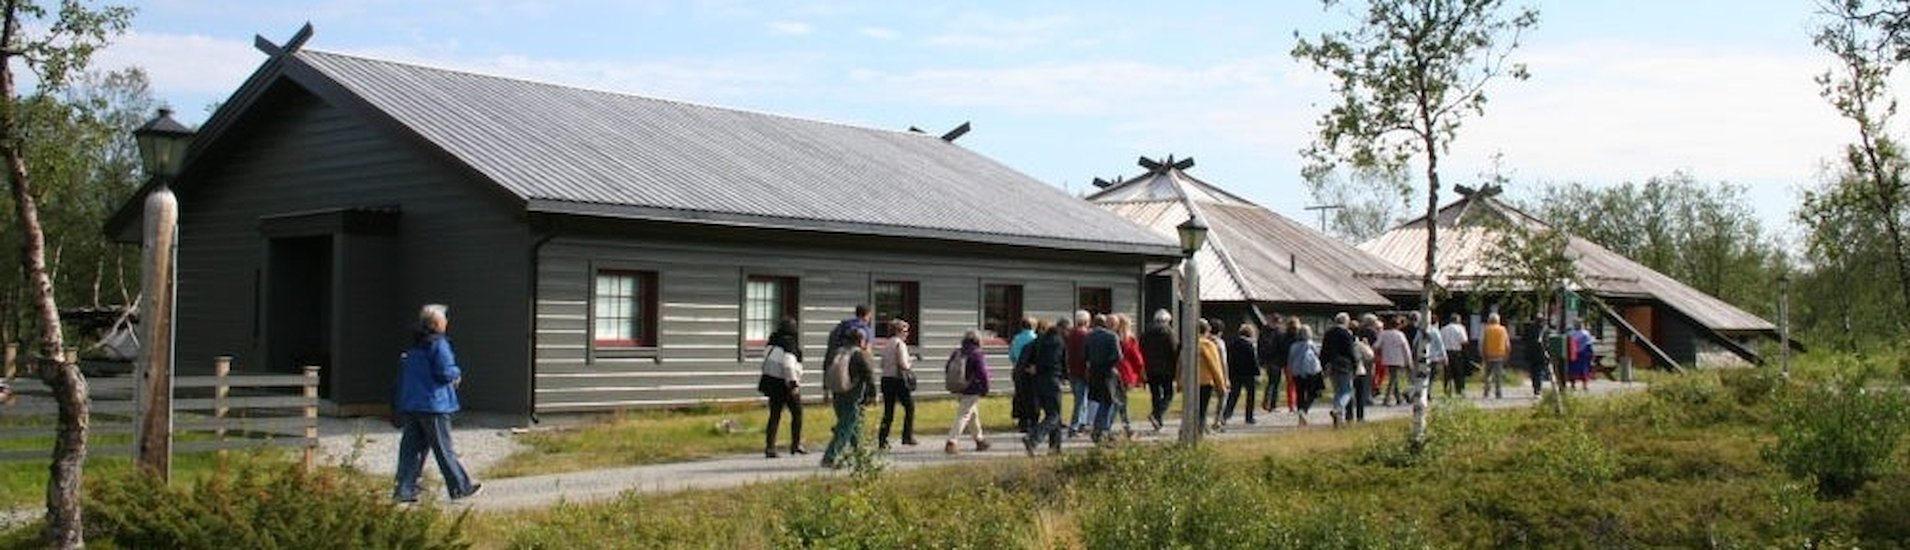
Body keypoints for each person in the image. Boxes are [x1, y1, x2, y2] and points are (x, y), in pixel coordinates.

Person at [392, 304, 480, 502]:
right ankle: (460, 486)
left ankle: (404, 489)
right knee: (443, 448)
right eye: (444, 319)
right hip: (434, 404)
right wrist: (456, 374)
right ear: (437, 323)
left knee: (411, 449)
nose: (446, 322)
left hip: (412, 403)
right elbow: (444, 372)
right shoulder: (439, 344)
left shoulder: (415, 344)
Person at [820, 330, 876, 469]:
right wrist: (873, 394)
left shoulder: (836, 352)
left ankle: (860, 455)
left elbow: (826, 369)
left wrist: (826, 391)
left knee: (853, 425)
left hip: (837, 392)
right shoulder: (859, 354)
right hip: (853, 393)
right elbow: (868, 375)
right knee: (845, 427)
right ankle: (830, 457)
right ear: (860, 340)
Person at [760, 316, 806, 458]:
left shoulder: (772, 341)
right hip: (785, 383)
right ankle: (795, 444)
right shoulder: (789, 344)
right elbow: (788, 365)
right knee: (797, 413)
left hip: (771, 382)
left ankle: (770, 447)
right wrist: (793, 384)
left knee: (774, 415)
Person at [1023, 318, 1069, 456]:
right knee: (1054, 416)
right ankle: (1033, 438)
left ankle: (1055, 448)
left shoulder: (1040, 339)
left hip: (1038, 381)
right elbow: (1057, 362)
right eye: (1067, 330)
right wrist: (1065, 376)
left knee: (1053, 414)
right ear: (1062, 329)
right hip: (1052, 380)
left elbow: (1028, 354)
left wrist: (1031, 367)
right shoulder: (1058, 342)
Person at [945, 330, 993, 454]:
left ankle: (979, 440)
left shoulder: (957, 352)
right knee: (964, 415)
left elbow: (947, 367)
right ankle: (952, 442)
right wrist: (985, 387)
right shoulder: (976, 354)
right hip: (972, 389)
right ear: (977, 340)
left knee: (972, 414)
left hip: (958, 387)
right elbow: (982, 373)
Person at [877, 319, 918, 449]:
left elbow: (882, 364)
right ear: (898, 331)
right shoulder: (900, 344)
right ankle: (907, 435)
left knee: (888, 412)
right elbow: (903, 363)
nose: (907, 334)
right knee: (909, 407)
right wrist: (911, 362)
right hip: (898, 380)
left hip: (886, 379)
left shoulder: (887, 344)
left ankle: (882, 439)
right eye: (905, 331)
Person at [1083, 314, 1123, 442]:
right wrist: (1109, 364)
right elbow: (1118, 356)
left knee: (1098, 400)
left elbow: (1084, 355)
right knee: (1108, 400)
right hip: (1107, 371)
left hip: (1094, 371)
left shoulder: (1089, 336)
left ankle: (1102, 428)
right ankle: (1100, 428)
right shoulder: (1112, 336)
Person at [1140, 309, 1179, 432]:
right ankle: (1157, 414)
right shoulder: (1169, 333)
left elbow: (1141, 349)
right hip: (1166, 369)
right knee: (1168, 394)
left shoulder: (1146, 333)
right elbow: (1174, 350)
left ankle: (1158, 421)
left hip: (1150, 369)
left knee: (1155, 394)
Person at [821, 305, 876, 387]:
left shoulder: (841, 327)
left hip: (839, 369)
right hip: (856, 370)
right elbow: (867, 352)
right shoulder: (865, 330)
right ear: (866, 315)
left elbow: (830, 349)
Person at [1193, 319, 1229, 435]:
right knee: (1221, 397)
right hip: (1211, 376)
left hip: (1197, 377)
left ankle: (1203, 425)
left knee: (1201, 403)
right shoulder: (1217, 343)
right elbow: (1221, 362)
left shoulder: (1197, 341)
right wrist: (1225, 378)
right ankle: (1216, 421)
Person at [1322, 313, 1357, 428]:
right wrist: (1355, 365)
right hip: (1344, 365)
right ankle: (1338, 409)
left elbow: (1323, 351)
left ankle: (1338, 420)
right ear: (1346, 322)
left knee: (1338, 391)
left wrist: (1324, 365)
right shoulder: (1346, 334)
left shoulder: (1328, 333)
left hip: (1331, 365)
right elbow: (1350, 352)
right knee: (1347, 391)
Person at [1114, 314, 1145, 439]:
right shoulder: (1129, 340)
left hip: (1113, 370)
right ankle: (1127, 427)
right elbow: (1137, 358)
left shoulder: (1113, 337)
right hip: (1126, 372)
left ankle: (1124, 426)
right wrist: (1141, 372)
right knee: (1121, 401)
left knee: (1117, 400)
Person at [1222, 323, 1260, 426]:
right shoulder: (1250, 345)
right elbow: (1253, 360)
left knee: (1233, 395)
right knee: (1251, 396)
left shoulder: (1233, 344)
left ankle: (1226, 414)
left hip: (1235, 373)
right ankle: (1249, 417)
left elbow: (1229, 359)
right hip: (1248, 373)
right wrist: (1257, 372)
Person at [1287, 325, 1324, 427]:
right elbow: (1318, 355)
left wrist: (1290, 371)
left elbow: (1290, 360)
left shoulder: (1293, 346)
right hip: (1311, 371)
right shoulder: (1311, 344)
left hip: (1297, 372)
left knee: (1300, 394)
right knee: (1313, 393)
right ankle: (1305, 409)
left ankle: (1300, 416)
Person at [1008, 317, 1039, 433]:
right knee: (1032, 397)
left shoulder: (1016, 338)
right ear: (1033, 326)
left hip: (1018, 370)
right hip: (1030, 371)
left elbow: (1011, 356)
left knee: (1020, 395)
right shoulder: (1034, 338)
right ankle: (1032, 421)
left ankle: (1022, 421)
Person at [1377, 315, 1414, 407]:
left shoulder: (1384, 334)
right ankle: (1387, 399)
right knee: (1393, 379)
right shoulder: (1400, 334)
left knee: (1394, 378)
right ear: (1398, 325)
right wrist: (1409, 360)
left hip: (1387, 359)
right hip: (1398, 359)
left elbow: (1377, 345)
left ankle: (1398, 398)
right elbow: (1406, 348)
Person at [1065, 310, 1092, 437]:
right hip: (1082, 371)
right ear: (1086, 321)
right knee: (1080, 401)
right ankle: (1074, 426)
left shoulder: (1071, 334)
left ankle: (1082, 424)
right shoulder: (1085, 335)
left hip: (1072, 371)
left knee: (1081, 400)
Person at [1257, 314, 1290, 414]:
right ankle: (1272, 405)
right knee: (1275, 383)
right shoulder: (1278, 333)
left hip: (1266, 360)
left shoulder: (1263, 331)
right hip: (1276, 361)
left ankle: (1266, 402)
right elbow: (1282, 348)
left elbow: (1259, 346)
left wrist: (1261, 360)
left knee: (1271, 382)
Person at [1481, 313, 1510, 399]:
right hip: (1500, 355)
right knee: (1498, 376)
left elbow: (1484, 343)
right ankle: (1498, 393)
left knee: (1488, 375)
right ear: (1498, 320)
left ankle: (1486, 392)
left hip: (1489, 355)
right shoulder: (1503, 329)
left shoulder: (1487, 329)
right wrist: (1507, 354)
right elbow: (1507, 344)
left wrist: (1483, 354)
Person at [1440, 314, 1470, 398]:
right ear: (1457, 320)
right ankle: (1459, 390)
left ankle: (1447, 390)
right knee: (1459, 372)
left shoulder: (1443, 329)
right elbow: (1464, 341)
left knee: (1447, 372)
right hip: (1457, 352)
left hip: (1446, 352)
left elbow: (1441, 341)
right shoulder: (1460, 328)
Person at [1566, 320, 1596, 391]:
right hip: (1578, 354)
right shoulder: (1574, 333)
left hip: (1579, 354)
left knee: (1581, 370)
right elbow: (1589, 345)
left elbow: (1589, 345)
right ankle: (1576, 385)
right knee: (1577, 370)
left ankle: (1582, 385)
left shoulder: (1582, 333)